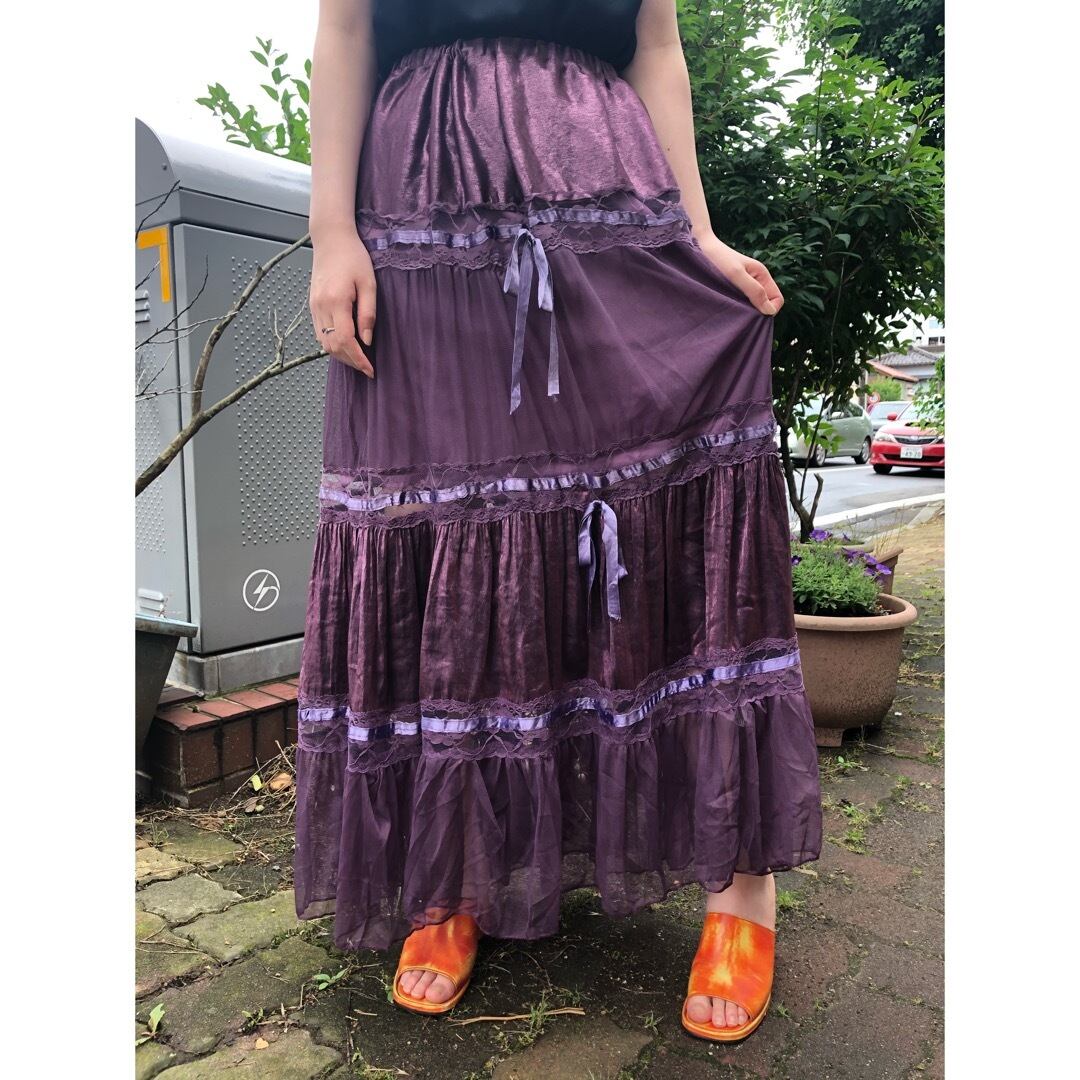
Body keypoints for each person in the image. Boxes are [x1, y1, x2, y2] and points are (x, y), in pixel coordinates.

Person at [297, 0, 822, 1042]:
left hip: (608, 205)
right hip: (420, 227)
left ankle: (741, 886)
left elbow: (656, 45)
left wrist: (698, 236)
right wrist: (331, 233)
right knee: (444, 527)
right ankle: (453, 875)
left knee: (657, 500)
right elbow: (345, 29)